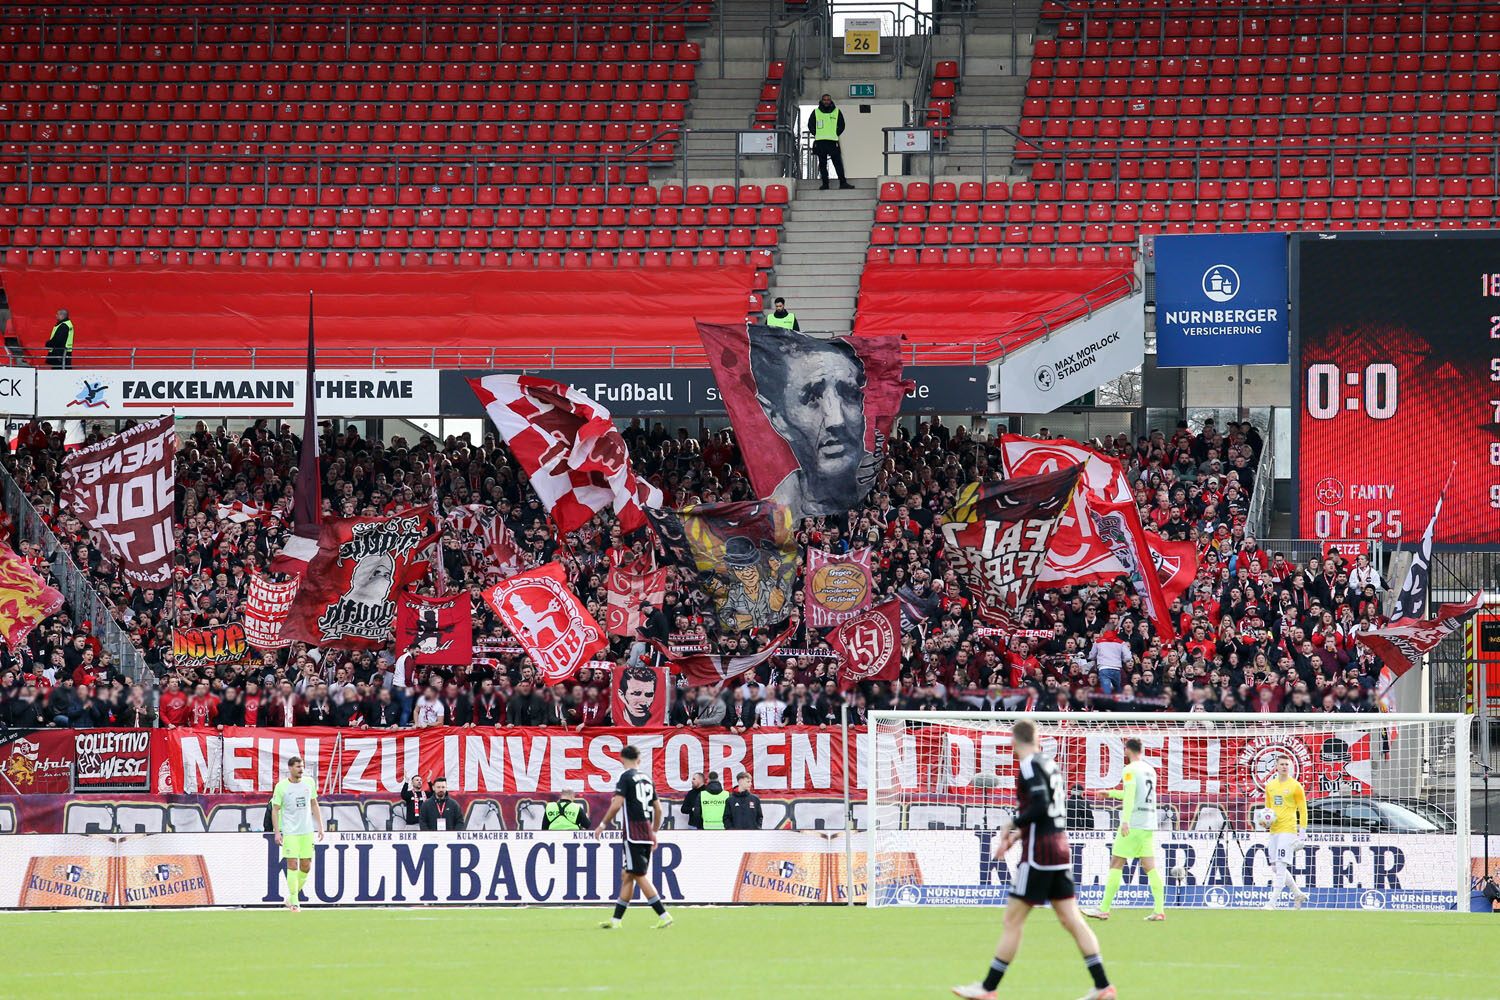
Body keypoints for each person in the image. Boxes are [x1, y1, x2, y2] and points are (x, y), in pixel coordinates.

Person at [952, 719, 1114, 1000]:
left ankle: (988, 988)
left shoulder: (1028, 765)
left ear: (1013, 742)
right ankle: (1103, 986)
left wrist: (1012, 824)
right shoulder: (1049, 764)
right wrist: (1017, 835)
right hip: (1060, 847)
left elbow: (1039, 806)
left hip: (1039, 853)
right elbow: (1048, 809)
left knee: (1012, 920)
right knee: (1072, 919)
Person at [750, 329, 871, 516]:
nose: (835, 420)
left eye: (848, 393)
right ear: (777, 417)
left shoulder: (890, 495)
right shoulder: (773, 518)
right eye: (812, 397)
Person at [1085, 737, 1165, 921]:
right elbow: (1136, 795)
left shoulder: (1129, 770)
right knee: (1150, 867)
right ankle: (1159, 910)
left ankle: (1103, 909)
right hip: (1148, 823)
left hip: (1134, 823)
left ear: (1127, 750)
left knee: (1116, 863)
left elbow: (1129, 798)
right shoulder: (1150, 770)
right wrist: (1110, 793)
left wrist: (1125, 821)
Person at [595, 744, 673, 929]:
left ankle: (663, 914)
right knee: (627, 875)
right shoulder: (647, 778)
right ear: (639, 760)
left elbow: (617, 804)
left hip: (633, 833)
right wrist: (654, 832)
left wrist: (602, 824)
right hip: (646, 832)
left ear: (622, 759)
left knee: (639, 875)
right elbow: (659, 809)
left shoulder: (625, 777)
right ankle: (616, 921)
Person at [271, 755, 324, 912]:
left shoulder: (309, 783)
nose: (301, 769)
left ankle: (291, 897)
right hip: (291, 832)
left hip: (307, 831)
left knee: (306, 866)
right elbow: (275, 810)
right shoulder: (281, 787)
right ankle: (295, 901)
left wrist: (320, 826)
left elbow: (314, 803)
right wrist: (277, 832)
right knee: (292, 864)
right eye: (298, 767)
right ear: (290, 768)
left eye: (302, 766)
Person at [1262, 754, 1309, 909]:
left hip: (1288, 830)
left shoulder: (1296, 786)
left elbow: (1303, 811)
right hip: (1274, 830)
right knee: (1275, 867)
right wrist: (1264, 821)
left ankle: (1272, 903)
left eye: (1286, 764)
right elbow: (1268, 810)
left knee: (1281, 867)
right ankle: (1298, 894)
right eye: (1281, 764)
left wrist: (1301, 835)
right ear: (1276, 766)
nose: (1284, 767)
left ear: (1290, 767)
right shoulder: (1270, 786)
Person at [807, 93, 854, 190]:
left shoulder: (837, 111)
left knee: (838, 163)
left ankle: (843, 183)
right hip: (820, 142)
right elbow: (810, 125)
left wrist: (836, 133)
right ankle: (825, 184)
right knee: (823, 164)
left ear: (831, 101)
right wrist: (816, 133)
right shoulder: (815, 112)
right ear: (821, 101)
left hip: (833, 141)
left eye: (828, 100)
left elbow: (842, 125)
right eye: (824, 100)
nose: (826, 101)